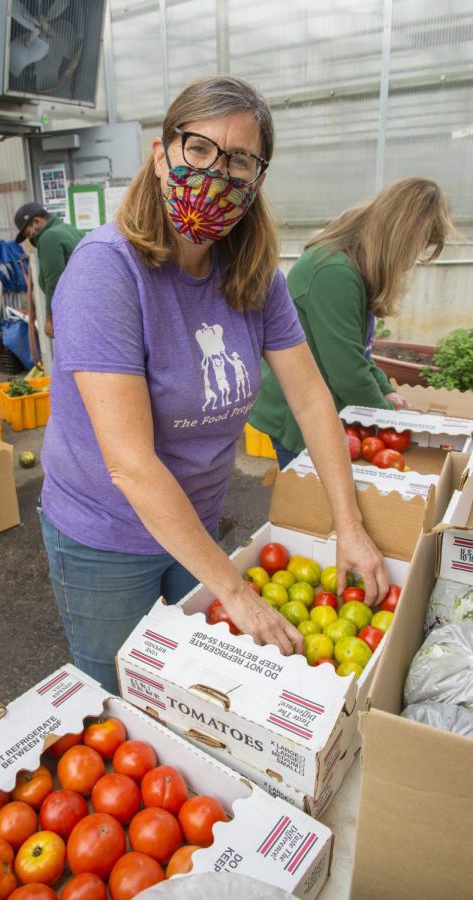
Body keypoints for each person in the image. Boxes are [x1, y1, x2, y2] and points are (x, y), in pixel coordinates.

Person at [39, 75, 389, 695]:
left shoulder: (255, 277)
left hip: (194, 524)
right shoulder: (106, 273)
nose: (214, 175)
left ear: (257, 181)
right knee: (124, 696)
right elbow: (131, 464)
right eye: (198, 149)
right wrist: (234, 589)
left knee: (195, 688)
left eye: (239, 162)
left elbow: (311, 400)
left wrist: (350, 527)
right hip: (107, 536)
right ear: (160, 153)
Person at [249, 178, 454, 468]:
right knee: (310, 504)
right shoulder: (335, 272)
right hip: (297, 415)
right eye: (417, 246)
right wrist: (393, 422)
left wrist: (386, 389)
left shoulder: (352, 265)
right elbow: (347, 372)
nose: (412, 260)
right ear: (400, 237)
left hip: (318, 407)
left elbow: (356, 350)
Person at [14, 202, 84, 338]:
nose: (29, 239)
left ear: (37, 222)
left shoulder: (48, 238)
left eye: (28, 234)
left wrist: (50, 319)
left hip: (73, 315)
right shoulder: (68, 229)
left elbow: (55, 283)